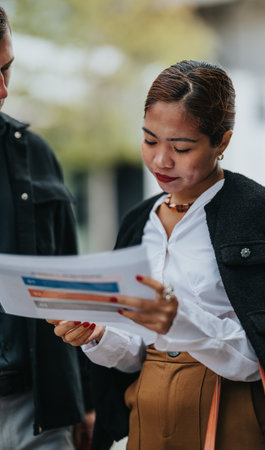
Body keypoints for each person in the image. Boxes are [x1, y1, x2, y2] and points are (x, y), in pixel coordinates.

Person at [48, 60, 265, 450]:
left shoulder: (256, 211)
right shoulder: (138, 221)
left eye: (181, 147)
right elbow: (134, 355)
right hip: (146, 416)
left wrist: (177, 317)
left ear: (223, 142)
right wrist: (98, 335)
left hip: (231, 414)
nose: (161, 160)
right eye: (149, 140)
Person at [0, 7, 95, 450]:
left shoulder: (35, 154)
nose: (2, 90)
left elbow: (70, 285)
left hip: (37, 407)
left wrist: (87, 400)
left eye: (6, 70)